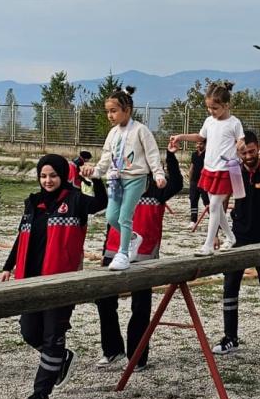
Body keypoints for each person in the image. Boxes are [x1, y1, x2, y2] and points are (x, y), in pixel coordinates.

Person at [0, 154, 107, 399]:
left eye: (53, 176)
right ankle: (63, 358)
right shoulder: (32, 203)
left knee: (52, 336)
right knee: (29, 331)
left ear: (62, 175)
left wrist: (96, 179)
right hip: (29, 281)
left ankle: (41, 392)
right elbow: (21, 237)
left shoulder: (75, 200)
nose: (48, 181)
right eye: (43, 176)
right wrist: (7, 265)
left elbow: (102, 203)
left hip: (60, 282)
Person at [94, 138, 183, 370]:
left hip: (145, 254)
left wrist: (171, 156)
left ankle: (137, 356)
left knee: (140, 307)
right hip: (114, 249)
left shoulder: (157, 185)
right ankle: (112, 349)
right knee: (104, 300)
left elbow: (177, 184)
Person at [212, 130, 260, 354]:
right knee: (230, 286)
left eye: (252, 151)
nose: (248, 156)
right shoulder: (235, 169)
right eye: (244, 152)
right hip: (239, 236)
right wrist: (215, 232)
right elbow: (223, 200)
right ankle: (230, 337)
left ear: (258, 147)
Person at [89, 87, 166, 271]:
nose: (110, 115)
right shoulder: (113, 133)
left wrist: (158, 174)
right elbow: (107, 156)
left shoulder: (141, 130)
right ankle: (132, 238)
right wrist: (96, 171)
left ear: (127, 110)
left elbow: (152, 153)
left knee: (125, 216)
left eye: (113, 111)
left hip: (135, 178)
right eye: (108, 111)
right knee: (111, 216)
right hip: (115, 179)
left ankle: (123, 253)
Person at [169, 81, 245, 256]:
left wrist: (240, 145)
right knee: (215, 206)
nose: (211, 111)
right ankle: (231, 237)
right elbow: (200, 137)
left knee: (214, 205)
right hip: (209, 168)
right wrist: (181, 136)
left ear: (226, 106)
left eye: (215, 108)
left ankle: (209, 244)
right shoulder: (209, 121)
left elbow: (241, 139)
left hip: (225, 169)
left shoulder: (234, 123)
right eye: (209, 108)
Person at [188, 140, 209, 223]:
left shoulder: (208, 154)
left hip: (204, 181)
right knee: (193, 199)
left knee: (206, 201)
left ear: (204, 144)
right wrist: (190, 181)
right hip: (194, 181)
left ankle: (214, 219)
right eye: (197, 143)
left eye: (200, 144)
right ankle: (193, 221)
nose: (198, 145)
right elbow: (192, 167)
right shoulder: (194, 154)